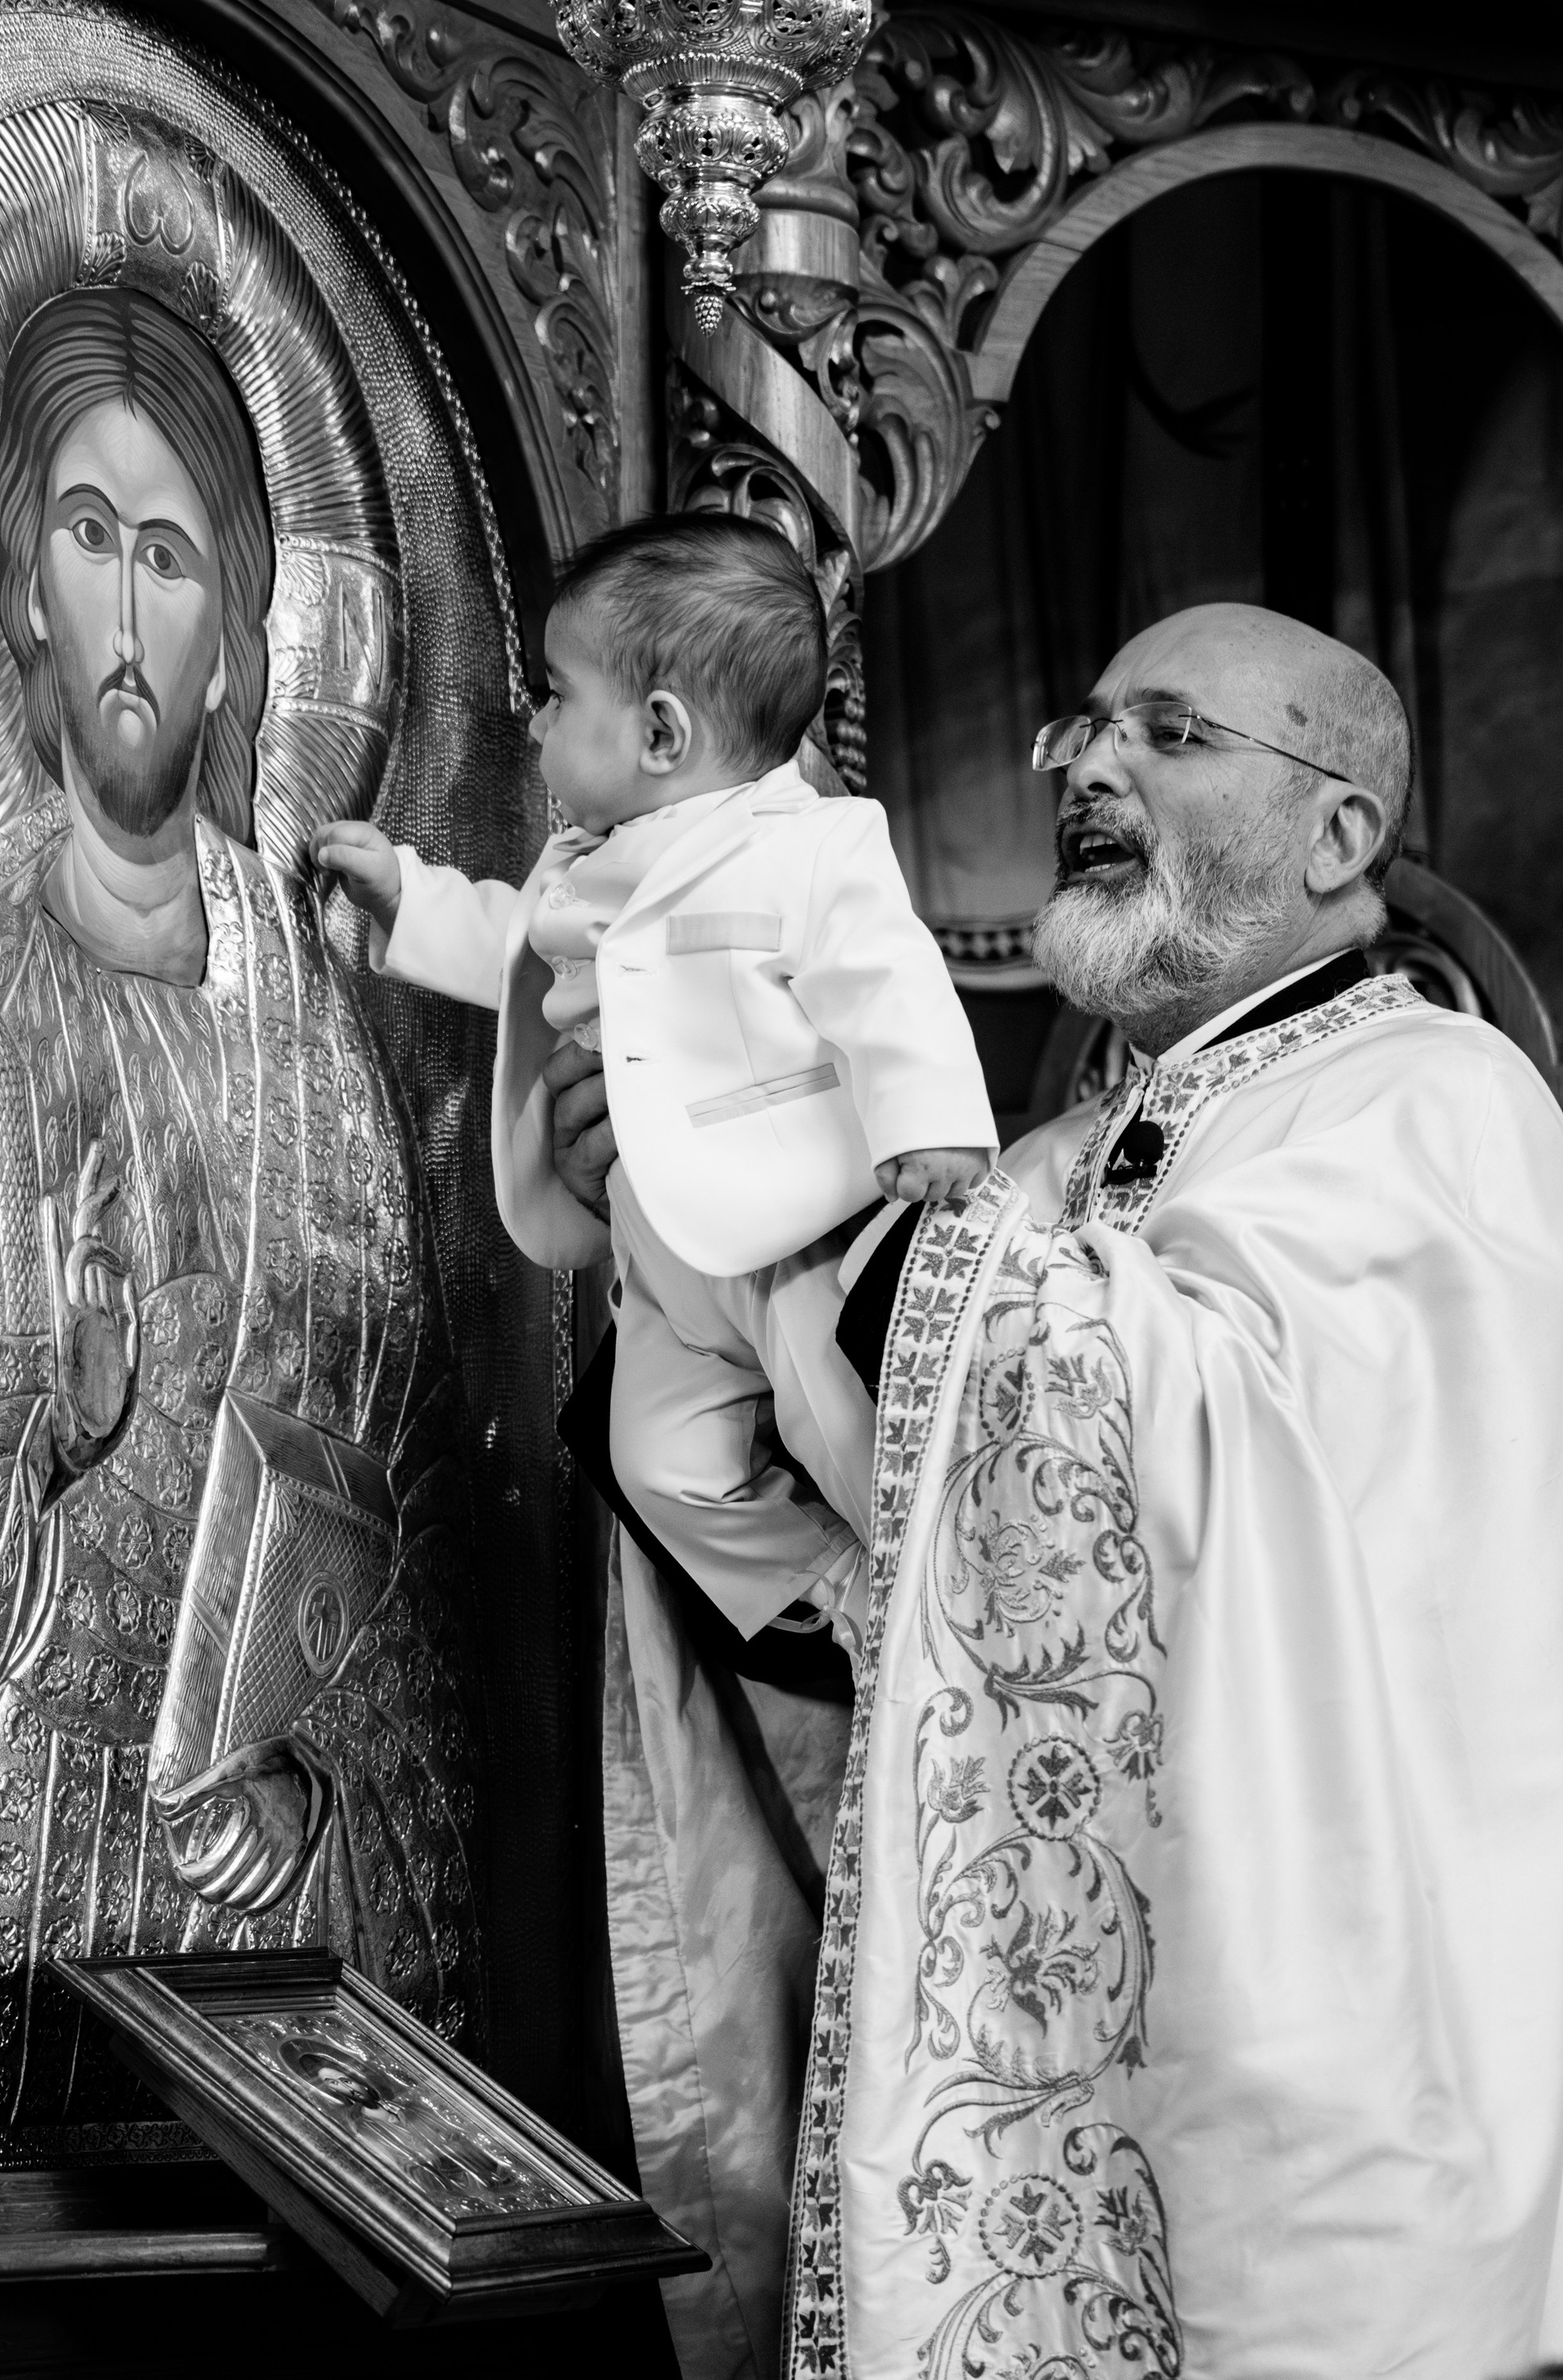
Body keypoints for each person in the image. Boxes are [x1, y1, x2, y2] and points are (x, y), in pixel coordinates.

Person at [765, 602, 1563, 2378]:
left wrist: (885, 1233)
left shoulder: (1440, 1107)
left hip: (1342, 2044)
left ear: (1338, 833)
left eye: (1171, 733)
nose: (1093, 767)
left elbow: (1222, 1464)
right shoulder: (1042, 1162)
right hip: (1070, 1986)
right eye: (1087, 728)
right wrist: (726, 1225)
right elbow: (900, 1500)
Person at [0, 286, 480, 2139]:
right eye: (87, 536)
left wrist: (295, 1762)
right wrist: (47, 1430)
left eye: (170, 558)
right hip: (32, 1860)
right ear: (20, 581)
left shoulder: (301, 1003)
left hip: (287, 1883)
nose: (123, 612)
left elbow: (407, 1487)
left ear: (234, 627)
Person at [314, 513, 996, 1656]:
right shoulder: (585, 865)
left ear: (662, 732)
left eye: (556, 695)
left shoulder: (808, 846)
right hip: (655, 1252)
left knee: (850, 1429)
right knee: (656, 1461)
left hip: (788, 1237)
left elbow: (885, 976)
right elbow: (519, 953)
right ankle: (850, 1598)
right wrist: (409, 899)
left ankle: (954, 1592)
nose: (534, 720)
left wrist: (928, 1123)